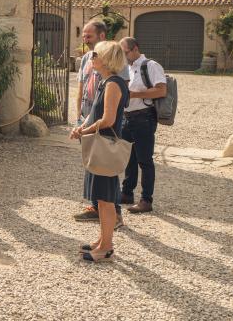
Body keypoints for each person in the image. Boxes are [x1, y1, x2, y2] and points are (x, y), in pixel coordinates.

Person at [69, 40, 130, 262]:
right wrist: (81, 127)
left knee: (106, 200)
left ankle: (106, 248)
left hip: (104, 146)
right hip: (99, 145)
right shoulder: (107, 82)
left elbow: (108, 120)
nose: (91, 57)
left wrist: (85, 131)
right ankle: (103, 241)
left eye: (95, 54)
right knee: (103, 199)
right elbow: (95, 112)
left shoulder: (113, 84)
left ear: (105, 59)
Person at [72, 20, 126, 228]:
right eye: (83, 35)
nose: (85, 40)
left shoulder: (114, 77)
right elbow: (83, 89)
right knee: (92, 168)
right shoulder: (87, 59)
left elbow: (110, 113)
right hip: (88, 120)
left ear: (102, 36)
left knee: (106, 174)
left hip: (101, 128)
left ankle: (114, 217)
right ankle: (97, 210)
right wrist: (80, 118)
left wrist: (86, 127)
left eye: (89, 36)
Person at [120, 37, 167, 214]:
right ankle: (127, 193)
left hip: (144, 118)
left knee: (144, 160)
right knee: (128, 158)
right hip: (128, 117)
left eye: (125, 52)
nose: (123, 56)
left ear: (135, 49)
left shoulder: (151, 66)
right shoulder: (127, 68)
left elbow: (161, 90)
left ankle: (146, 200)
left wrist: (133, 95)